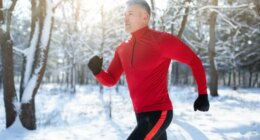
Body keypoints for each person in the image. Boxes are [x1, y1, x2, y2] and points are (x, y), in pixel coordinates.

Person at [88, 0, 210, 139]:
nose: (125, 18)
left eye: (131, 14)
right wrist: (97, 71)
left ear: (144, 17)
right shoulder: (122, 49)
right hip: (139, 114)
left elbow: (194, 61)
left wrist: (202, 95)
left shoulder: (162, 41)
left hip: (159, 113)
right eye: (125, 14)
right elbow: (111, 79)